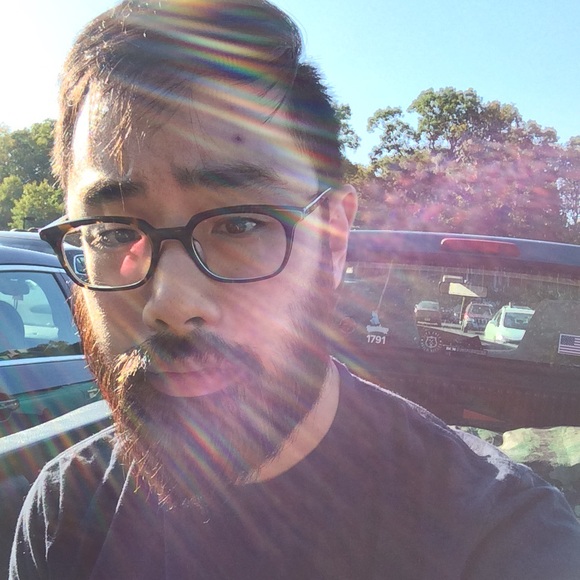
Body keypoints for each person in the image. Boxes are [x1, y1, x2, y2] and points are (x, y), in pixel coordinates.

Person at [9, 1, 580, 578]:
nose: (172, 304)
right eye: (112, 232)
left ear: (333, 241)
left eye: (240, 224)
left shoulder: (506, 544)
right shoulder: (65, 511)